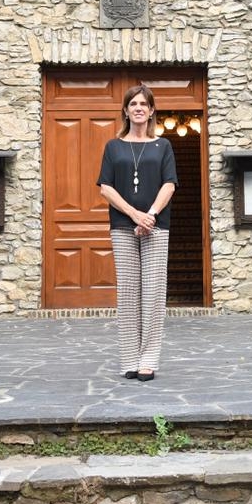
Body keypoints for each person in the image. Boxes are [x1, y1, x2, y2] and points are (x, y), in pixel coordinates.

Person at [98, 84, 178, 382]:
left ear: (152, 110)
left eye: (144, 104)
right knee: (130, 294)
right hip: (123, 226)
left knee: (153, 293)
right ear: (126, 110)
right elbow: (106, 187)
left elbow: (169, 184)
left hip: (157, 227)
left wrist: (151, 216)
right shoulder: (113, 146)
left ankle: (149, 359)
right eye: (133, 103)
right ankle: (130, 359)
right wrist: (134, 215)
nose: (139, 108)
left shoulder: (163, 145)